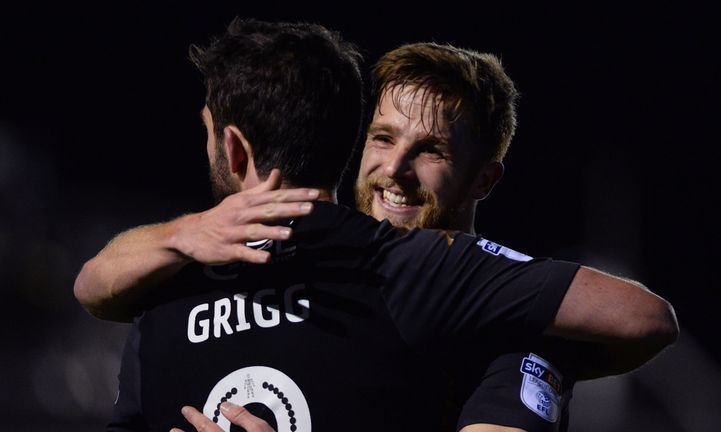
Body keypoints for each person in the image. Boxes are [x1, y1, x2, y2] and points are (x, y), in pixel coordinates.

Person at [75, 21, 678, 432]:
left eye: (431, 150)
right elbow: (91, 285)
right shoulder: (179, 289)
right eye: (383, 137)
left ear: (484, 180)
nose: (394, 169)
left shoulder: (503, 325)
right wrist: (182, 233)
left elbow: (646, 320)